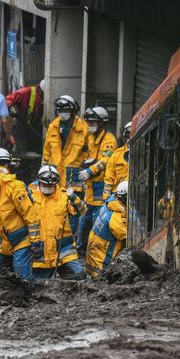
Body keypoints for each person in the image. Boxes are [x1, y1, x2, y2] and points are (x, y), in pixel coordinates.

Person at [42, 95, 89, 233]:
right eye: (60, 110)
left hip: (73, 178)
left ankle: (71, 237)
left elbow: (88, 152)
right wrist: (43, 170)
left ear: (73, 111)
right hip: (55, 177)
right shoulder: (53, 126)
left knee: (73, 210)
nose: (63, 114)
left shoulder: (82, 128)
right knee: (55, 208)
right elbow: (46, 151)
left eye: (66, 110)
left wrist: (87, 170)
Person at [31, 166, 87, 280]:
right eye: (45, 185)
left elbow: (83, 211)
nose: (48, 187)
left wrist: (74, 197)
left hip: (63, 250)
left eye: (51, 185)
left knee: (79, 274)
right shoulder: (30, 197)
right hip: (40, 253)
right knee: (36, 285)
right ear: (39, 182)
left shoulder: (64, 196)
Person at [76, 107, 117, 254]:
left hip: (100, 184)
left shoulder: (109, 139)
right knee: (84, 218)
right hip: (89, 185)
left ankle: (93, 250)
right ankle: (81, 249)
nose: (90, 125)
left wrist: (90, 170)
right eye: (88, 122)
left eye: (93, 122)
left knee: (97, 218)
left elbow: (106, 159)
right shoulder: (90, 138)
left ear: (101, 123)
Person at [85, 181, 128, 279]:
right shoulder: (116, 217)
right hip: (102, 259)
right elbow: (127, 236)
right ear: (125, 198)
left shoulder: (109, 203)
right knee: (102, 281)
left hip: (93, 254)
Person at [6, 79, 45, 155]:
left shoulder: (44, 98)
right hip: (21, 125)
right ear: (40, 90)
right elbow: (7, 100)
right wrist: (12, 109)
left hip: (34, 127)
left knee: (37, 150)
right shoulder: (26, 92)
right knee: (21, 151)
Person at [103, 121, 131, 201]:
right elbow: (109, 178)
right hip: (118, 196)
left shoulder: (145, 154)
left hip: (135, 196)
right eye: (128, 137)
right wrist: (106, 198)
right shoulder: (117, 154)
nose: (130, 139)